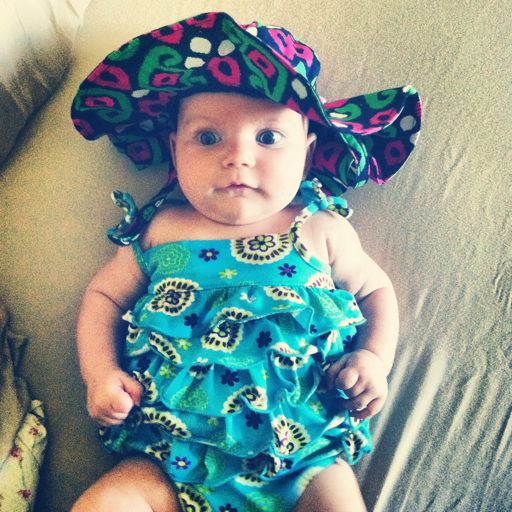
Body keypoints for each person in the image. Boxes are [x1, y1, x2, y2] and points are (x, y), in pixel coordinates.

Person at [70, 12, 422, 512]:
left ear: (308, 152)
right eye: (208, 137)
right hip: (170, 457)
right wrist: (100, 373)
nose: (238, 156)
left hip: (303, 458)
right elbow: (103, 296)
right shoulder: (160, 229)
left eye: (268, 138)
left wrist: (373, 360)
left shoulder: (320, 228)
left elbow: (375, 290)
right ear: (174, 149)